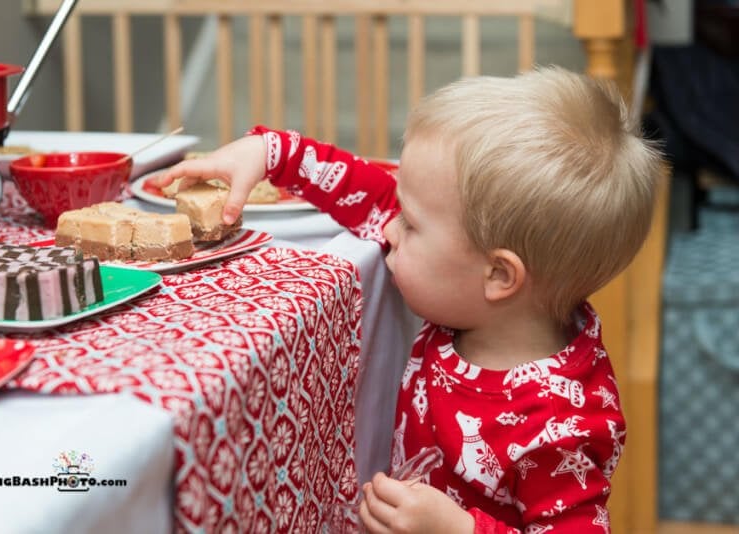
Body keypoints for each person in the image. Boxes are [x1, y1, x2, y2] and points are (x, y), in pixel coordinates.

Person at [156, 66, 662, 533]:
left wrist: (461, 529)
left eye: (410, 223)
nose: (388, 228)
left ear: (498, 275)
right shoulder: (472, 303)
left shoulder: (560, 424)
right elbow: (371, 193)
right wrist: (272, 154)